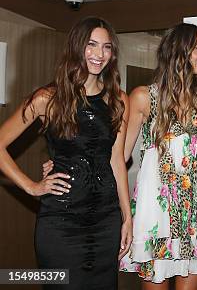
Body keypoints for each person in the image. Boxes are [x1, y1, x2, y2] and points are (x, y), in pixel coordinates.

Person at [0, 16, 132, 289]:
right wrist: (32, 187)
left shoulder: (119, 99)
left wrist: (126, 216)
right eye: (92, 45)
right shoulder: (46, 99)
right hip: (61, 223)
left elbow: (116, 160)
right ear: (77, 47)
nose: (99, 54)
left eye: (107, 47)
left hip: (106, 220)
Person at [120, 23, 197, 290]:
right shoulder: (143, 97)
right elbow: (119, 157)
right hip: (157, 212)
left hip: (194, 211)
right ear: (178, 52)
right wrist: (124, 213)